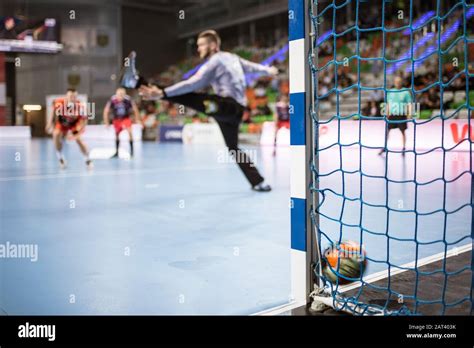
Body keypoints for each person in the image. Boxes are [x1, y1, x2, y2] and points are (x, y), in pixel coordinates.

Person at [132, 30, 278, 192]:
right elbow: (252, 67)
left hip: (226, 106)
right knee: (233, 148)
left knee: (190, 97)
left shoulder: (214, 62)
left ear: (213, 45)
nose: (198, 49)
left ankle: (138, 82)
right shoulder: (232, 57)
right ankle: (258, 182)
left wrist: (164, 93)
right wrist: (268, 70)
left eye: (201, 45)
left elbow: (193, 83)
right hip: (233, 114)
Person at [45, 88, 93, 169]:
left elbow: (84, 121)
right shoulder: (59, 103)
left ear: (76, 97)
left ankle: (87, 159)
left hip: (74, 125)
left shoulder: (80, 107)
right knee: (56, 135)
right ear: (66, 96)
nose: (72, 98)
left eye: (74, 96)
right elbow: (53, 112)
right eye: (70, 96)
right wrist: (49, 123)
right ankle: (60, 157)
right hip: (62, 123)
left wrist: (78, 132)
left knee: (79, 140)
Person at [379, 76, 413, 156]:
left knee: (403, 131)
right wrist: (387, 113)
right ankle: (384, 147)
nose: (398, 83)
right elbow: (388, 103)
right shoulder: (390, 92)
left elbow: (409, 103)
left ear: (402, 82)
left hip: (401, 115)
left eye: (399, 81)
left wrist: (409, 113)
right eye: (396, 81)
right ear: (394, 82)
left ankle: (404, 148)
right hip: (392, 115)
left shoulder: (405, 92)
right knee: (387, 131)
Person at [103, 88, 141, 158]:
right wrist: (106, 122)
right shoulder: (112, 99)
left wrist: (137, 119)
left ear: (124, 94)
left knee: (130, 132)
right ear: (116, 94)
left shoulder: (128, 99)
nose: (120, 96)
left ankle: (132, 152)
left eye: (122, 94)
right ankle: (117, 152)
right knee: (117, 135)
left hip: (126, 118)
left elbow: (135, 109)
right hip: (117, 119)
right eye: (119, 94)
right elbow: (106, 110)